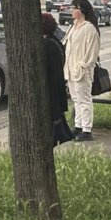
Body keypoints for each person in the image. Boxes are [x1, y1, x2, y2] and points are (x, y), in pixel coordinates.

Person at [63, 0, 101, 141]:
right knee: (75, 99)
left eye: (75, 8)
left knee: (84, 99)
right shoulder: (73, 26)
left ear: (82, 10)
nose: (72, 11)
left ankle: (87, 129)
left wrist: (84, 65)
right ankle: (78, 126)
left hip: (82, 70)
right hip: (70, 68)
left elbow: (92, 51)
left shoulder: (89, 28)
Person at [41, 13, 72, 146]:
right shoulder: (55, 41)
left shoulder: (47, 44)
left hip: (51, 92)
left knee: (52, 129)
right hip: (57, 91)